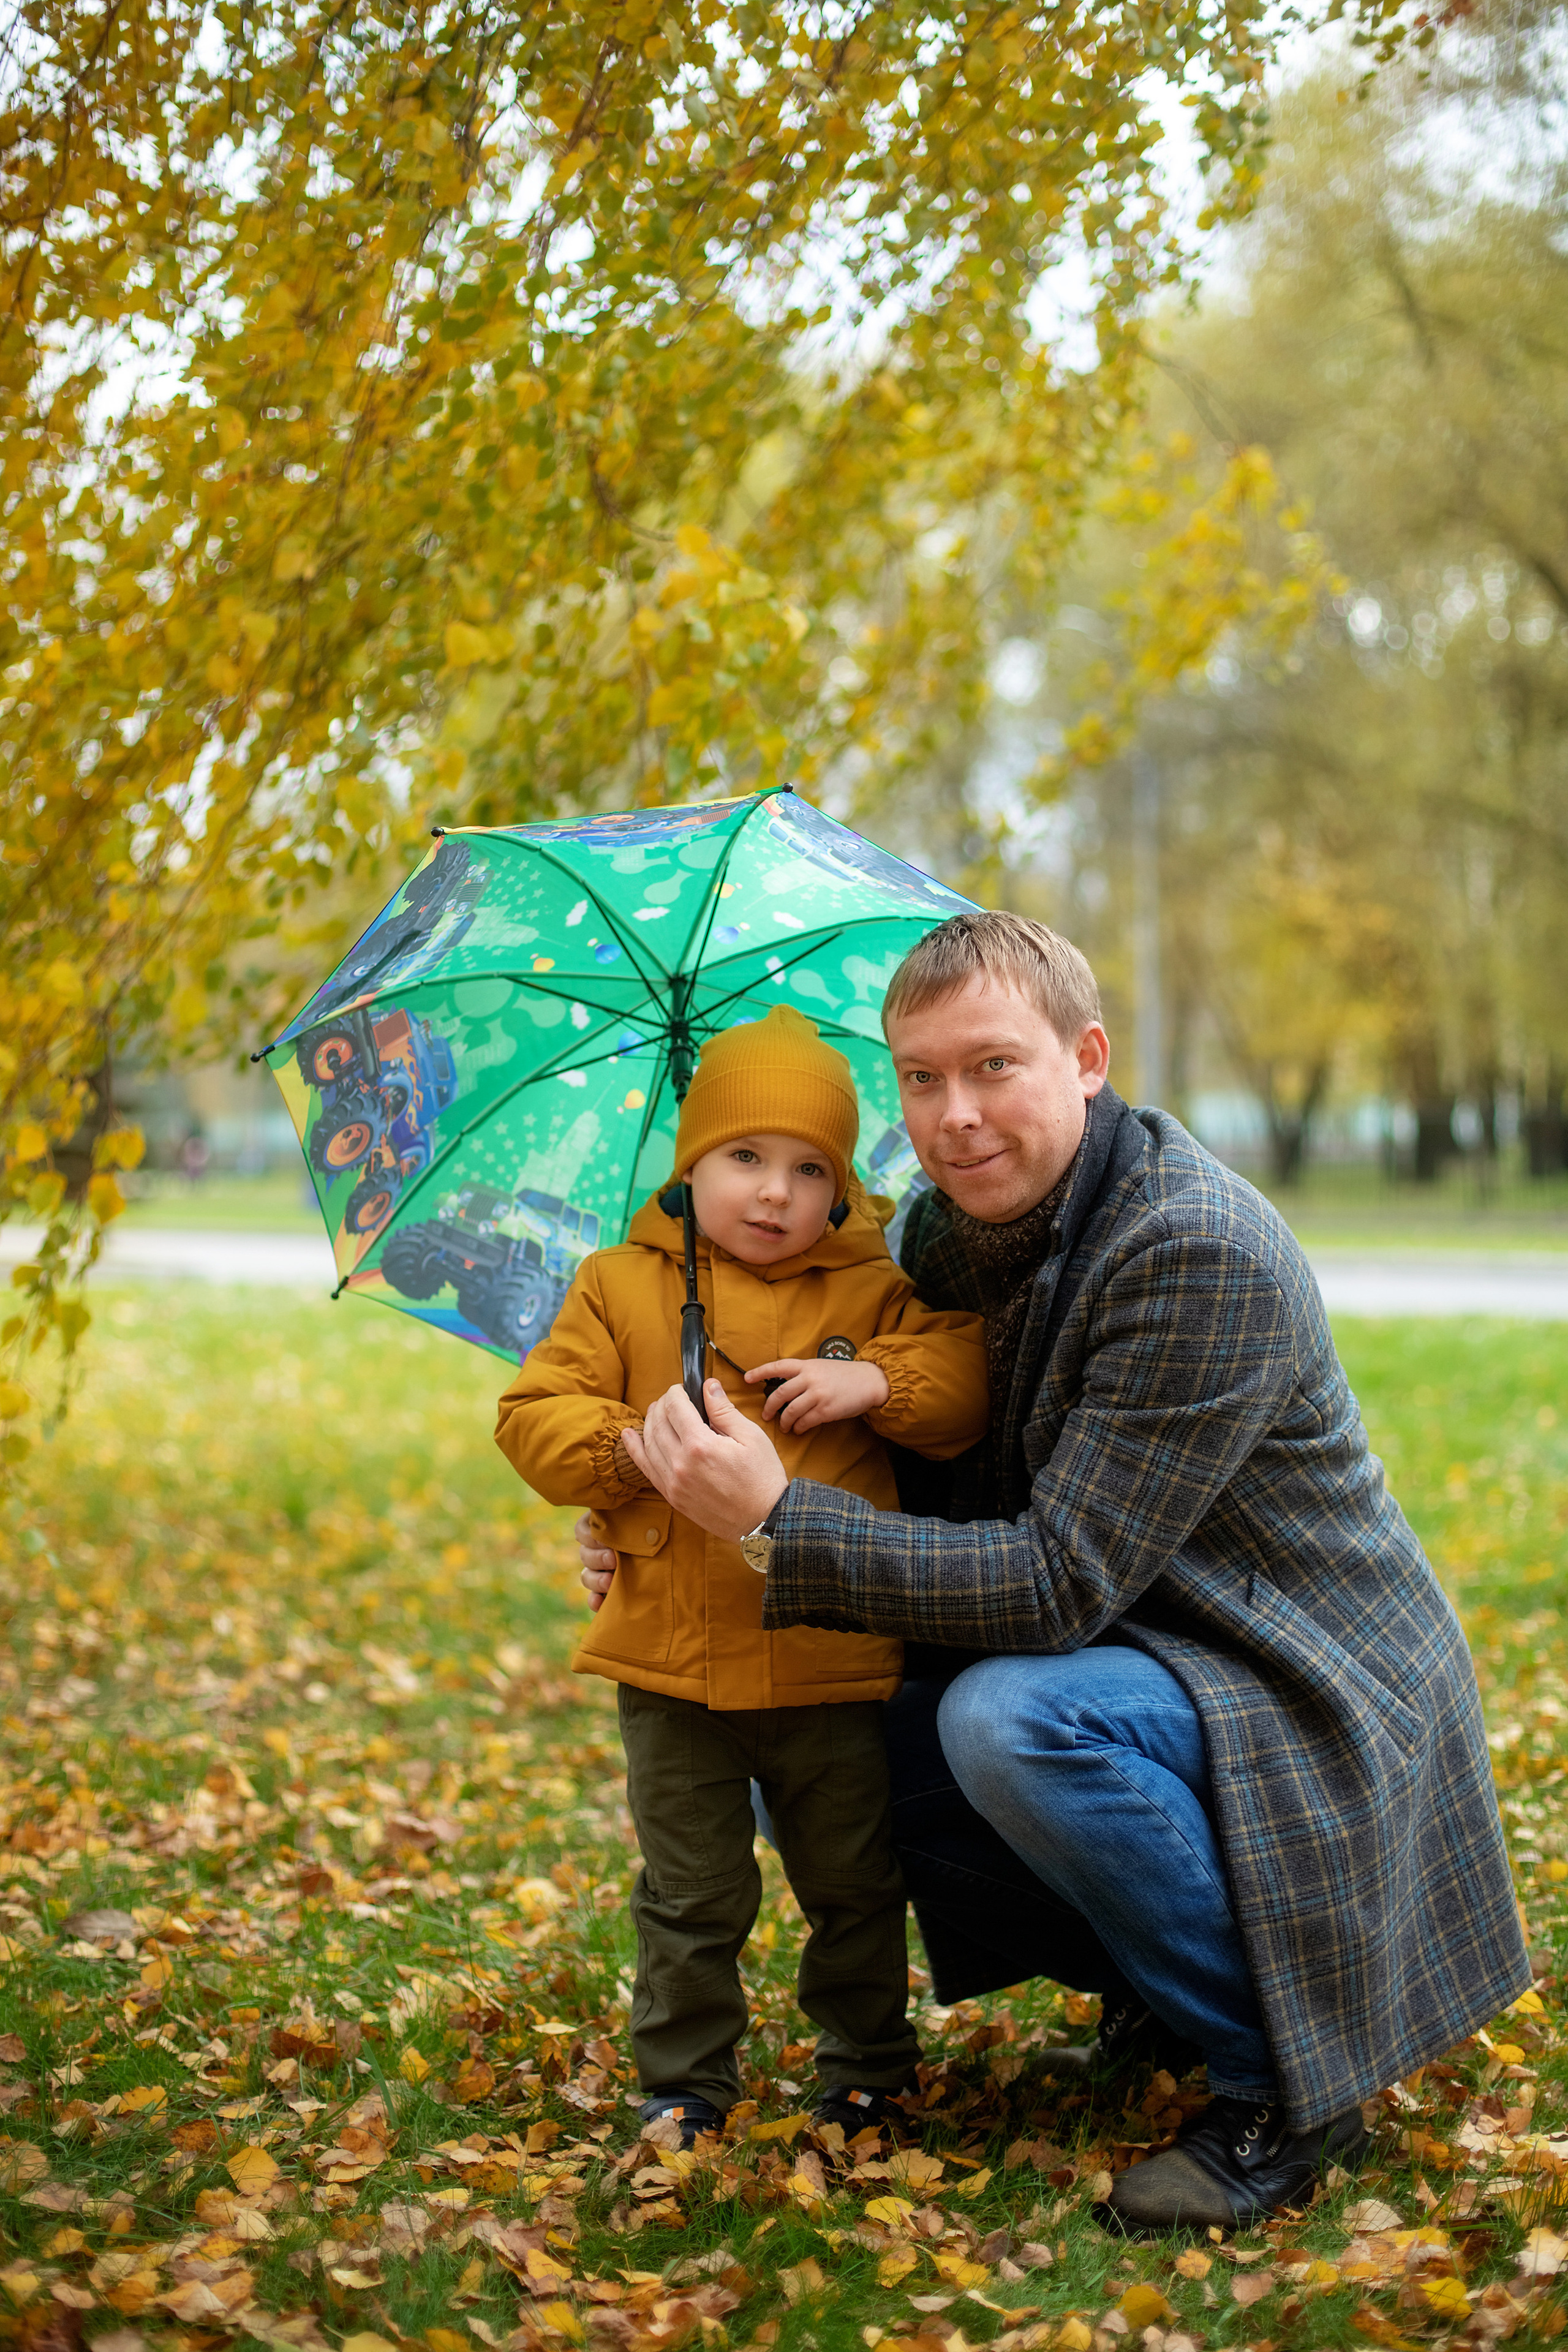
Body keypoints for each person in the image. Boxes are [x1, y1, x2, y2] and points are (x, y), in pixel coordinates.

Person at [587, 911, 1528, 2230]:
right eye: (921, 1078)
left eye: (993, 1067)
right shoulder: (943, 1233)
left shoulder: (1193, 1249)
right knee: (799, 1739)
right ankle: (1161, 1995)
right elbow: (917, 1476)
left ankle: (1280, 2089)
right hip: (1140, 1643)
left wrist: (775, 1522)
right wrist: (664, 1502)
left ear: (1085, 1059)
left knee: (1010, 1721)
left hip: (1293, 1673)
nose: (954, 1116)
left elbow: (1050, 1586)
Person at [495, 1005, 988, 2147]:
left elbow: (967, 1377)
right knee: (692, 1892)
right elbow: (532, 1417)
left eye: (810, 1169)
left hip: (830, 1661)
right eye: (745, 1157)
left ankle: (869, 2072)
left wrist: (876, 1381)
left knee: (854, 1884)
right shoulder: (621, 1285)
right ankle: (685, 2083)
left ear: (842, 1189)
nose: (775, 1193)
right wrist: (634, 1449)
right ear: (691, 1164)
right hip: (674, 1669)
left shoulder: (871, 1290)